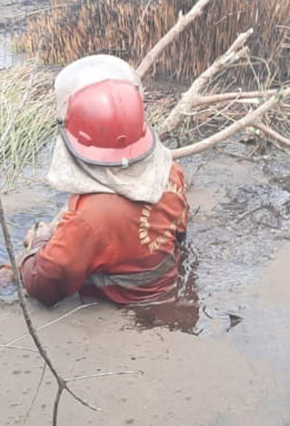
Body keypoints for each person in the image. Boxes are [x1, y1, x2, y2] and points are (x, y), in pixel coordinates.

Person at [11, 54, 188, 307]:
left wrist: (39, 240)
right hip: (165, 288)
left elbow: (42, 286)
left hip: (125, 309)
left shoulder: (88, 217)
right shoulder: (171, 170)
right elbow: (179, 236)